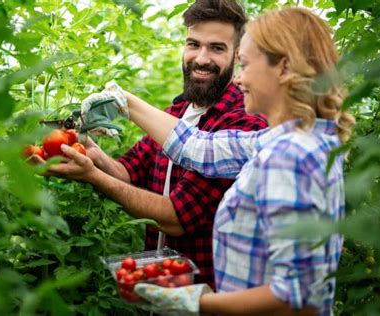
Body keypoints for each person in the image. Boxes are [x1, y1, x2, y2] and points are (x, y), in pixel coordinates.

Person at [59, 7, 355, 315]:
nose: (239, 79)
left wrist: (196, 301)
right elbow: (199, 148)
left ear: (282, 68)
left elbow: (298, 296)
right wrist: (123, 104)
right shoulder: (283, 141)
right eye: (193, 44)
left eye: (245, 64)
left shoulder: (289, 157)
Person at [40, 0, 267, 288]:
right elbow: (127, 172)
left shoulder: (243, 123)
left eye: (217, 48)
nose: (201, 58)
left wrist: (92, 176)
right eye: (193, 44)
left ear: (237, 55)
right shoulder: (176, 113)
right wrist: (87, 149)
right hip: (161, 290)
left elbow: (175, 217)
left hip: (210, 297)